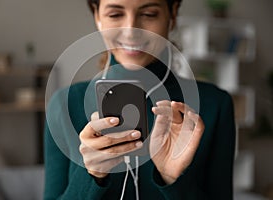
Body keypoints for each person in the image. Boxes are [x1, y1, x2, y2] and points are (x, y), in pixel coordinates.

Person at [44, 0, 236, 199]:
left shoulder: (215, 105)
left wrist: (173, 180)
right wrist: (90, 175)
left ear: (172, 15)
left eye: (149, 14)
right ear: (97, 16)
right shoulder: (63, 104)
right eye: (115, 15)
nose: (131, 31)